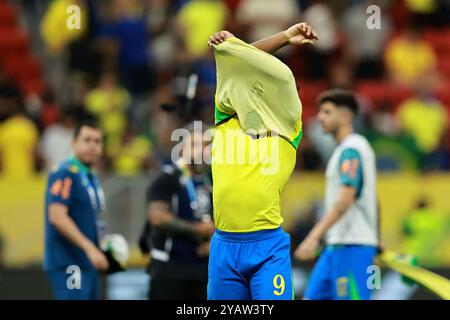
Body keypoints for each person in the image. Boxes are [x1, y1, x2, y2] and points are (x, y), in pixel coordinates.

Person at [206, 22, 318, 300]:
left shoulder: (288, 129)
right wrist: (281, 38)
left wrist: (237, 46)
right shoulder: (225, 118)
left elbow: (258, 73)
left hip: (266, 248)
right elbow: (240, 69)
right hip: (223, 246)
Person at [294, 90, 379, 300]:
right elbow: (374, 201)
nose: (320, 117)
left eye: (326, 112)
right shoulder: (346, 150)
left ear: (345, 116)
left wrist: (313, 236)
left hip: (352, 247)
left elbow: (346, 199)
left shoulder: (352, 149)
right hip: (336, 246)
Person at [142, 122, 214, 300]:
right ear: (181, 149)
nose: (201, 150)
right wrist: (197, 229)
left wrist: (217, 239)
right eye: (194, 145)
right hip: (170, 270)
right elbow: (157, 217)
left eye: (206, 145)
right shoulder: (167, 178)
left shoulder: (214, 180)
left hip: (205, 270)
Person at [44, 120, 109, 300]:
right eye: (87, 140)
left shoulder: (90, 176)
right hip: (69, 262)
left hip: (87, 262)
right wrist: (90, 248)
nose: (92, 146)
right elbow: (57, 216)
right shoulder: (65, 172)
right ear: (73, 143)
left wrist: (103, 247)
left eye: (97, 141)